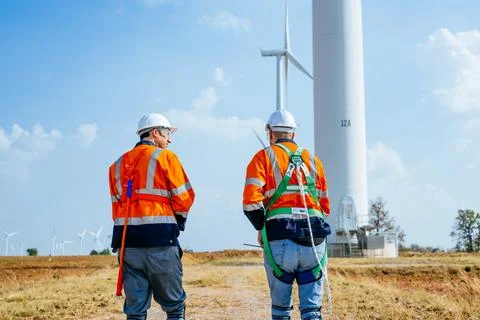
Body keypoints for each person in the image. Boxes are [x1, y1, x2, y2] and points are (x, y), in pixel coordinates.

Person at [242, 108, 331, 320]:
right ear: (293, 134)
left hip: (279, 239)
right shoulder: (313, 161)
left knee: (281, 310)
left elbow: (250, 203)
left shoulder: (263, 157)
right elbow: (325, 206)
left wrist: (261, 228)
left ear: (270, 133)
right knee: (312, 311)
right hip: (314, 237)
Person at [109, 113, 195, 320]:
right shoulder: (166, 157)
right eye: (167, 134)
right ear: (155, 133)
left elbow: (116, 208)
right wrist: (178, 222)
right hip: (161, 241)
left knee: (135, 310)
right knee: (174, 306)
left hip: (127, 244)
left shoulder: (117, 165)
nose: (170, 140)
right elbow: (185, 198)